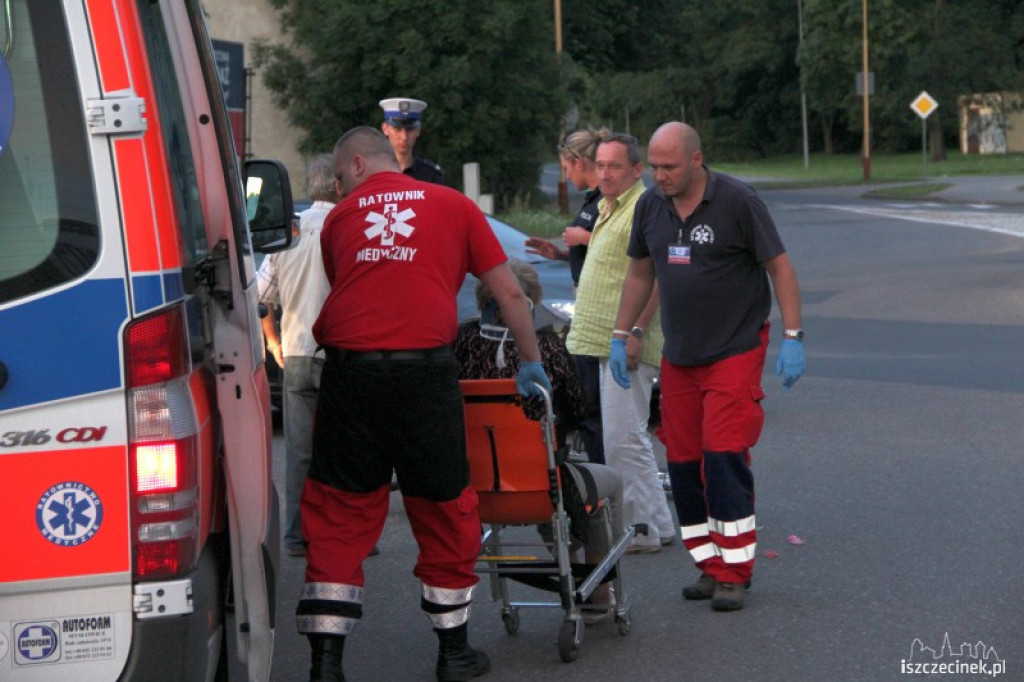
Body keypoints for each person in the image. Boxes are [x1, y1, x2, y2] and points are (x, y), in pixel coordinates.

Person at [297, 126, 550, 682]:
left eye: (340, 179)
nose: (340, 191)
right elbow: (509, 292)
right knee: (442, 505)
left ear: (358, 165)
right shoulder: (454, 206)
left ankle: (326, 664)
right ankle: (453, 654)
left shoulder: (340, 220)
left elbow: (349, 289)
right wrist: (531, 360)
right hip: (424, 378)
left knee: (339, 509)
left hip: (350, 375)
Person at [610, 121, 805, 612]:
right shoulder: (651, 206)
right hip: (681, 354)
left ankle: (735, 571)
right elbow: (640, 271)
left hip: (735, 349)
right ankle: (708, 564)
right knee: (683, 462)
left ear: (696, 160)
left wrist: (793, 336)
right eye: (653, 167)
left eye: (669, 167)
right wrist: (621, 333)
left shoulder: (738, 201)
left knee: (723, 455)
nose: (659, 176)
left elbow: (779, 266)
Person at [453, 260, 624, 621]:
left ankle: (571, 563)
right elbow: (578, 410)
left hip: (477, 490)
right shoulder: (546, 349)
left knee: (551, 476)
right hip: (541, 486)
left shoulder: (462, 343)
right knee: (602, 485)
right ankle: (598, 589)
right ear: (532, 300)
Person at [565, 133, 676, 555]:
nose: (605, 173)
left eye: (615, 166)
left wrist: (635, 331)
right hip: (600, 337)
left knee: (623, 439)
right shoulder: (610, 206)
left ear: (636, 170)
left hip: (626, 341)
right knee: (627, 438)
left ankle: (641, 530)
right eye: (601, 165)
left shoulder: (642, 207)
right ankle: (655, 525)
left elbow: (657, 276)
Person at [257, 154, 337, 557]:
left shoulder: (288, 231)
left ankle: (294, 535)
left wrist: (273, 342)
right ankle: (341, 533)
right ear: (340, 184)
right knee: (345, 450)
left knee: (299, 451)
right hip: (341, 354)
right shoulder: (347, 227)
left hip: (297, 353)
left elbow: (259, 296)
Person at [525, 128, 607, 465]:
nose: (566, 175)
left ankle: (605, 479)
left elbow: (623, 246)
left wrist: (586, 238)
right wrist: (561, 254)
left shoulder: (606, 199)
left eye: (566, 168)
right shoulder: (591, 200)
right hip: (586, 306)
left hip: (599, 313)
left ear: (577, 162)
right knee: (584, 403)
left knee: (591, 408)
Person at [379, 96, 444, 184]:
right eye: (397, 129)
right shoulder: (374, 172)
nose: (404, 137)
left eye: (410, 130)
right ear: (385, 129)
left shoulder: (430, 174)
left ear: (418, 130)